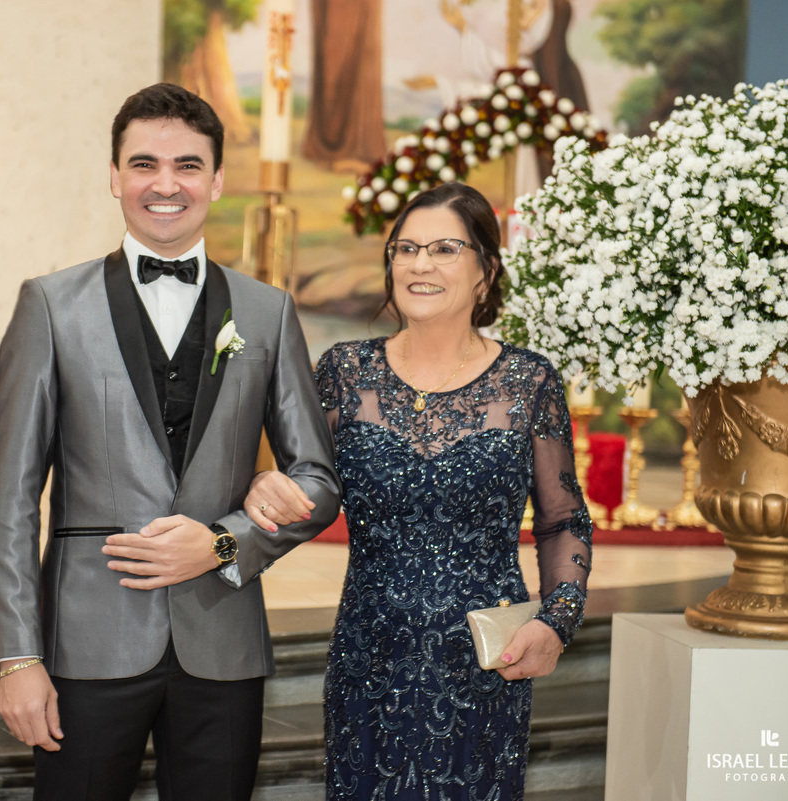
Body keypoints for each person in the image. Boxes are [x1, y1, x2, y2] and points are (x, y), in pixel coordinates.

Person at [0, 82, 341, 801]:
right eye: (144, 164)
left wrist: (227, 541)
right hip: (87, 637)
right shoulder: (49, 305)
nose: (165, 184)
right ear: (115, 176)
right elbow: (12, 498)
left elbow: (319, 480)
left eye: (186, 165)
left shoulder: (268, 313)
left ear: (216, 180)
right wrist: (17, 655)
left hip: (223, 639)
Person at [245, 182, 592, 800]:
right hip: (368, 653)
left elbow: (561, 519)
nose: (420, 264)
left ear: (486, 269)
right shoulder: (345, 371)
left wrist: (557, 621)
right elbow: (304, 486)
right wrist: (261, 486)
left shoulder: (529, 380)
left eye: (443, 249)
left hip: (486, 660)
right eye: (405, 249)